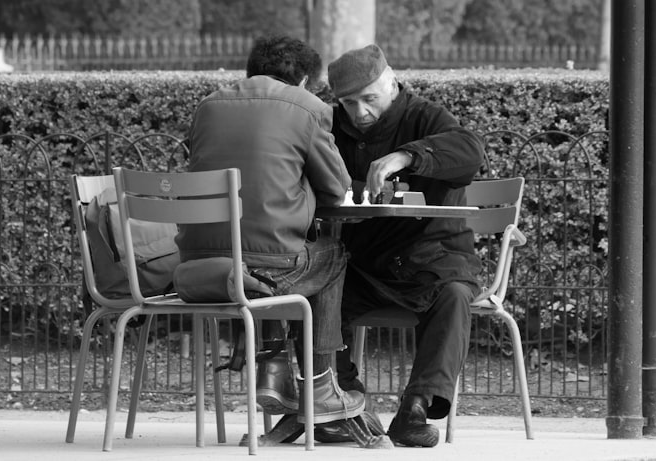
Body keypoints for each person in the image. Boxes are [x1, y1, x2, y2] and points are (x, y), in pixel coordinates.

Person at [175, 34, 365, 424]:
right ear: (302, 81)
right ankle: (321, 385)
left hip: (201, 268)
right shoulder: (306, 107)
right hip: (270, 267)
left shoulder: (208, 107)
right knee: (330, 256)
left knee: (258, 247)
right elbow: (336, 187)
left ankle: (275, 367)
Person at [326, 44, 485, 448]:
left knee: (453, 296)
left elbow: (470, 152)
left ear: (392, 83)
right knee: (317, 293)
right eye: (348, 103)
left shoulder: (426, 116)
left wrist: (405, 157)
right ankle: (344, 403)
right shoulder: (330, 125)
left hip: (434, 257)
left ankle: (415, 410)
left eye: (369, 99)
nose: (359, 112)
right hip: (363, 263)